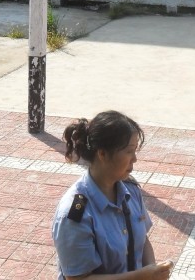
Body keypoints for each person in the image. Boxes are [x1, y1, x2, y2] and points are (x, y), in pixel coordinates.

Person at [52, 111, 174, 280]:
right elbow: (78, 278)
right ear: (102, 153)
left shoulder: (130, 190)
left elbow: (142, 240)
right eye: (129, 151)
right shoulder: (75, 214)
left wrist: (153, 271)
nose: (135, 159)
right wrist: (141, 277)